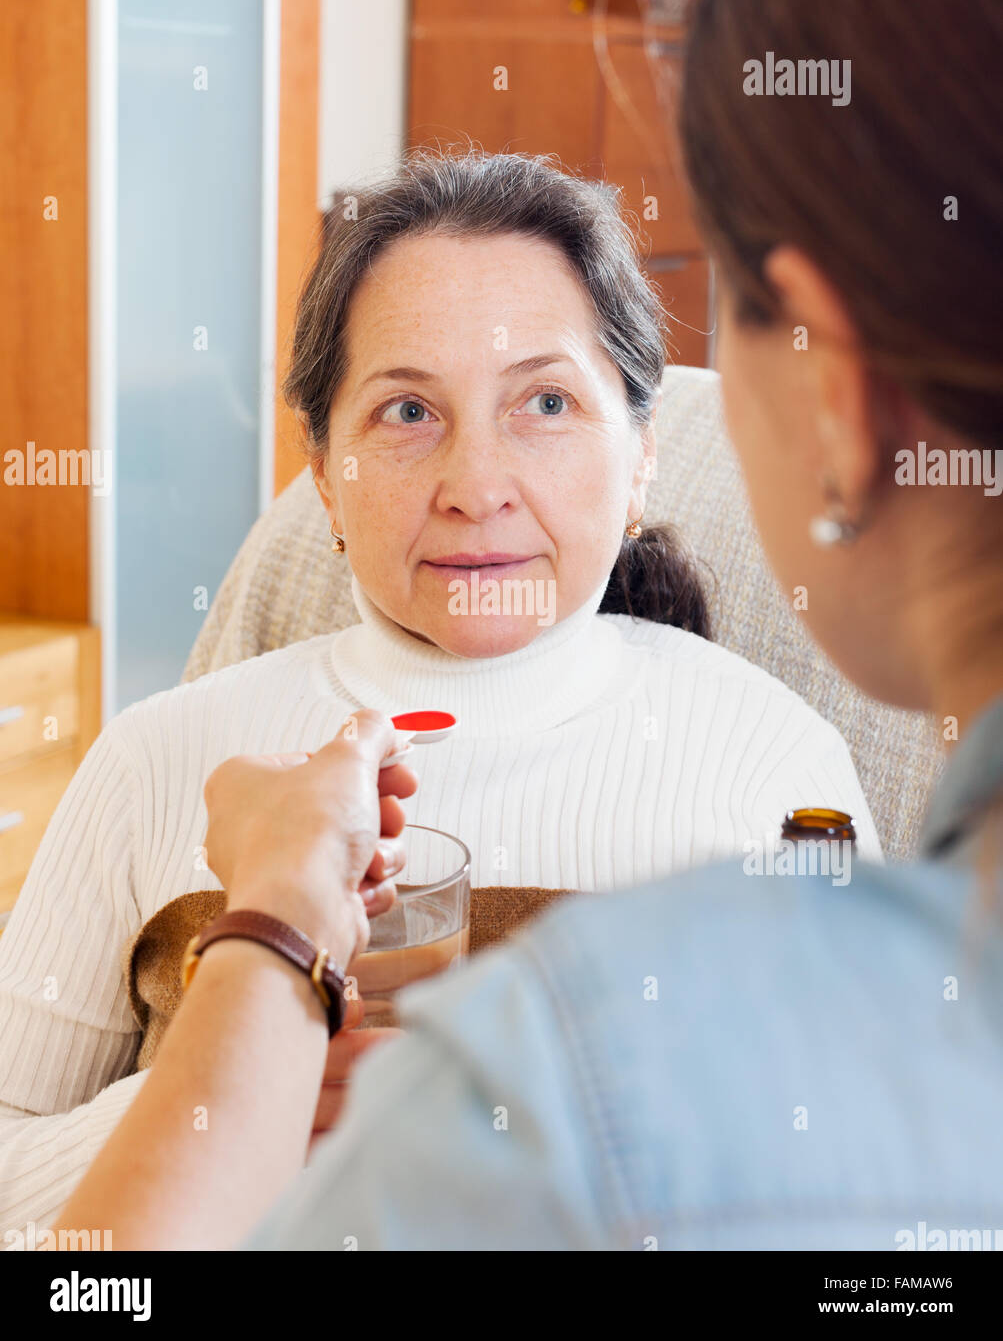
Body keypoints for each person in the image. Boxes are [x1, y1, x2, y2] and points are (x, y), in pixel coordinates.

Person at [0, 149, 880, 1237]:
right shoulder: (155, 761)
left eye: (545, 402)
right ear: (323, 471)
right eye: (407, 413)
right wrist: (232, 1097)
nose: (475, 487)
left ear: (641, 454)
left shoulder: (770, 767)